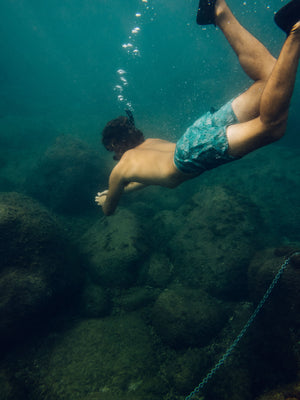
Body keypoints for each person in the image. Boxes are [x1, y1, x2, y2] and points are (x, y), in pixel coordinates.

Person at [96, 0, 300, 216]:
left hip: (190, 152)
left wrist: (106, 199)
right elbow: (143, 178)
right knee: (267, 79)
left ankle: (296, 31)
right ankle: (219, 13)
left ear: (114, 144)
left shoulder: (120, 170)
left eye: (111, 150)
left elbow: (110, 209)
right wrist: (119, 190)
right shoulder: (149, 145)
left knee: (271, 128)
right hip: (197, 133)